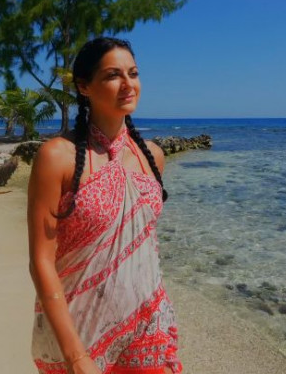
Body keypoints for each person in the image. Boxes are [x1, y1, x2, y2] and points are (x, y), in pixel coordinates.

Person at [28, 37, 183, 374]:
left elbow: (146, 248)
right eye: (113, 75)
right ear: (84, 87)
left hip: (147, 326)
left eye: (133, 73)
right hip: (77, 332)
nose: (128, 84)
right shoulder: (58, 157)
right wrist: (76, 357)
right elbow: (42, 261)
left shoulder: (152, 157)